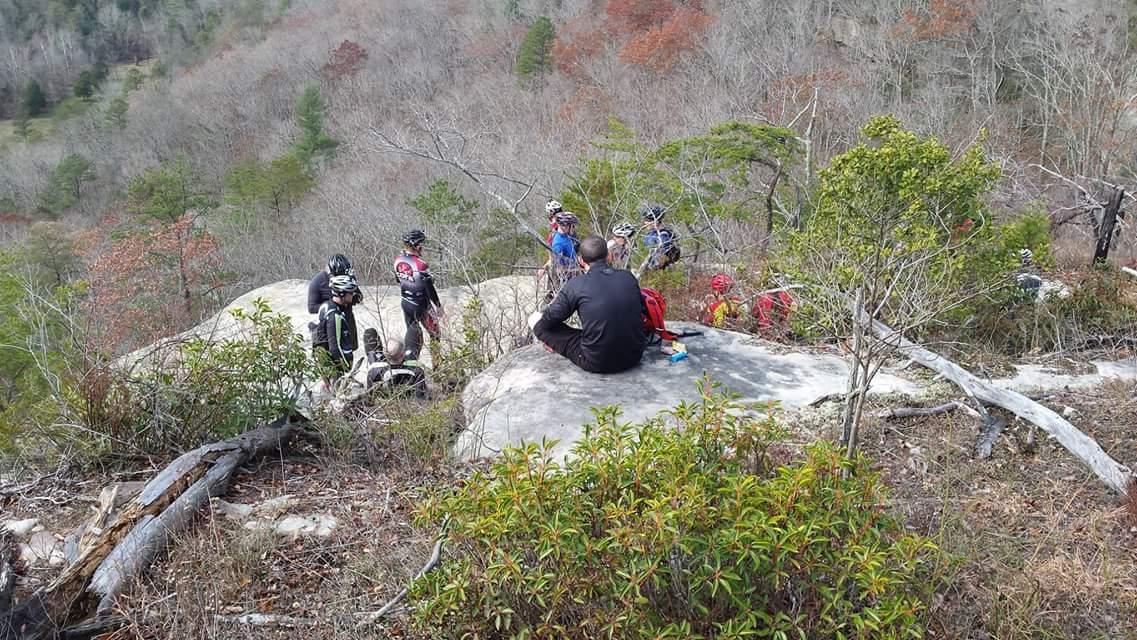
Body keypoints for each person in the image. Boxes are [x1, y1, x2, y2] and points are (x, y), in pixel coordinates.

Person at [531, 235, 647, 374]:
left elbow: (550, 318)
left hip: (597, 361)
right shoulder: (628, 277)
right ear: (609, 256)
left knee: (536, 320)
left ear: (581, 260)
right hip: (634, 355)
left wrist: (547, 330)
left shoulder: (576, 284)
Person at [394, 229, 443, 360]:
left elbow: (398, 280)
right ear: (416, 245)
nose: (423, 247)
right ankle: (437, 365)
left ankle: (411, 364)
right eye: (422, 243)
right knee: (435, 334)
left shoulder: (397, 260)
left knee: (413, 335)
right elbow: (429, 288)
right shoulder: (421, 264)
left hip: (406, 302)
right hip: (422, 305)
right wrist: (438, 305)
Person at [313, 274, 359, 383]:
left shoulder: (326, 306)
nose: (352, 295)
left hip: (324, 363)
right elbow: (335, 347)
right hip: (333, 368)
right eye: (350, 292)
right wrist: (346, 367)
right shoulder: (335, 316)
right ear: (342, 294)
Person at [363, 329, 429, 399]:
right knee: (413, 330)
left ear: (385, 355)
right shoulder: (417, 371)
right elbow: (421, 397)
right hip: (407, 396)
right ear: (402, 354)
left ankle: (386, 353)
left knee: (370, 333)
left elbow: (370, 398)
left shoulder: (373, 372)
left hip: (384, 389)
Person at [640, 205, 681, 271]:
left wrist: (650, 269)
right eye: (645, 220)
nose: (645, 223)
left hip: (657, 272)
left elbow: (663, 257)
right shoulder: (650, 234)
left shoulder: (664, 235)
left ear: (657, 221)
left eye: (648, 220)